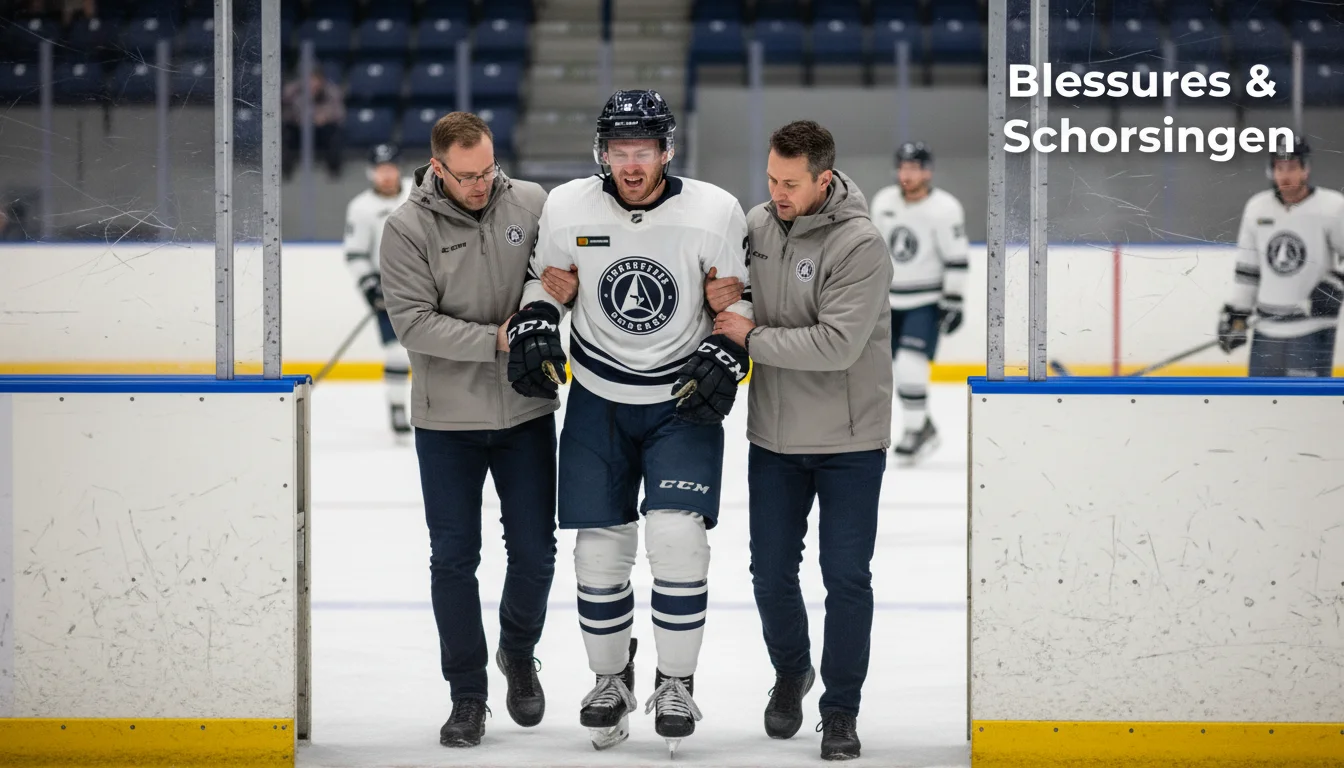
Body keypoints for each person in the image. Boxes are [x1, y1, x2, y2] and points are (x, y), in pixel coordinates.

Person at [509, 89, 753, 756]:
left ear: (667, 149)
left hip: (681, 402)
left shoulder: (714, 211)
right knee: (597, 549)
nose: (632, 164)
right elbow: (549, 279)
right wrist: (535, 317)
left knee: (676, 539)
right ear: (603, 152)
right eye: (620, 151)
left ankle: (675, 680)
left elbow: (739, 300)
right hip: (597, 398)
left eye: (643, 150)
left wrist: (728, 349)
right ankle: (610, 678)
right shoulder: (568, 208)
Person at [712, 120, 892, 761]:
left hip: (850, 438)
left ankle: (840, 710)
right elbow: (744, 300)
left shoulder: (860, 243)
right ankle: (792, 671)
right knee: (769, 574)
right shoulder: (759, 226)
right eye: (770, 178)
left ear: (825, 178)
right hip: (776, 436)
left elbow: (837, 345)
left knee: (845, 578)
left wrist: (747, 336)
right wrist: (727, 303)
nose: (776, 192)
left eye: (790, 183)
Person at [379, 112, 560, 749]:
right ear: (437, 169)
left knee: (537, 552)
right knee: (455, 560)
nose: (481, 184)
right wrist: (499, 338)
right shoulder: (405, 229)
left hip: (527, 412)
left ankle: (517, 647)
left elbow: (558, 274)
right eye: (466, 176)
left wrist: (551, 295)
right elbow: (413, 324)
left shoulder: (533, 202)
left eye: (487, 170)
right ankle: (467, 695)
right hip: (447, 422)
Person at [868, 141, 968, 464]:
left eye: (914, 167)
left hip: (925, 301)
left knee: (911, 366)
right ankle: (921, 425)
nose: (907, 174)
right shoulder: (884, 202)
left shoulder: (945, 208)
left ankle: (914, 429)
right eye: (903, 167)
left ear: (927, 170)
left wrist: (953, 300)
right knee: (886, 370)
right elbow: (873, 250)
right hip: (887, 301)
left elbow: (956, 256)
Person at [1219, 137, 1344, 376]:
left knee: (1303, 410)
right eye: (1279, 168)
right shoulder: (1257, 208)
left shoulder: (1333, 207)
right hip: (1267, 330)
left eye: (1292, 167)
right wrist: (1238, 314)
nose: (1285, 175)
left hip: (1313, 329)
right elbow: (1248, 268)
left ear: (1305, 169)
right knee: (1262, 408)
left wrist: (1333, 287)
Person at [343, 143, 415, 434]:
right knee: (397, 354)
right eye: (380, 169)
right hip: (390, 293)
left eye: (391, 168)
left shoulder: (418, 193)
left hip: (429, 287)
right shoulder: (361, 208)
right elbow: (355, 254)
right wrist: (371, 288)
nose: (386, 175)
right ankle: (398, 406)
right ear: (371, 172)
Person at [281, 69, 346, 178]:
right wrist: (297, 119)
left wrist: (326, 117)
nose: (313, 85)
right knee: (286, 131)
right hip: (299, 129)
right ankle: (285, 170)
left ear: (322, 81)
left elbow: (340, 115)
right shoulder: (294, 91)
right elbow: (285, 112)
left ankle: (334, 169)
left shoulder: (332, 92)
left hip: (322, 130)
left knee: (334, 132)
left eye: (316, 81)